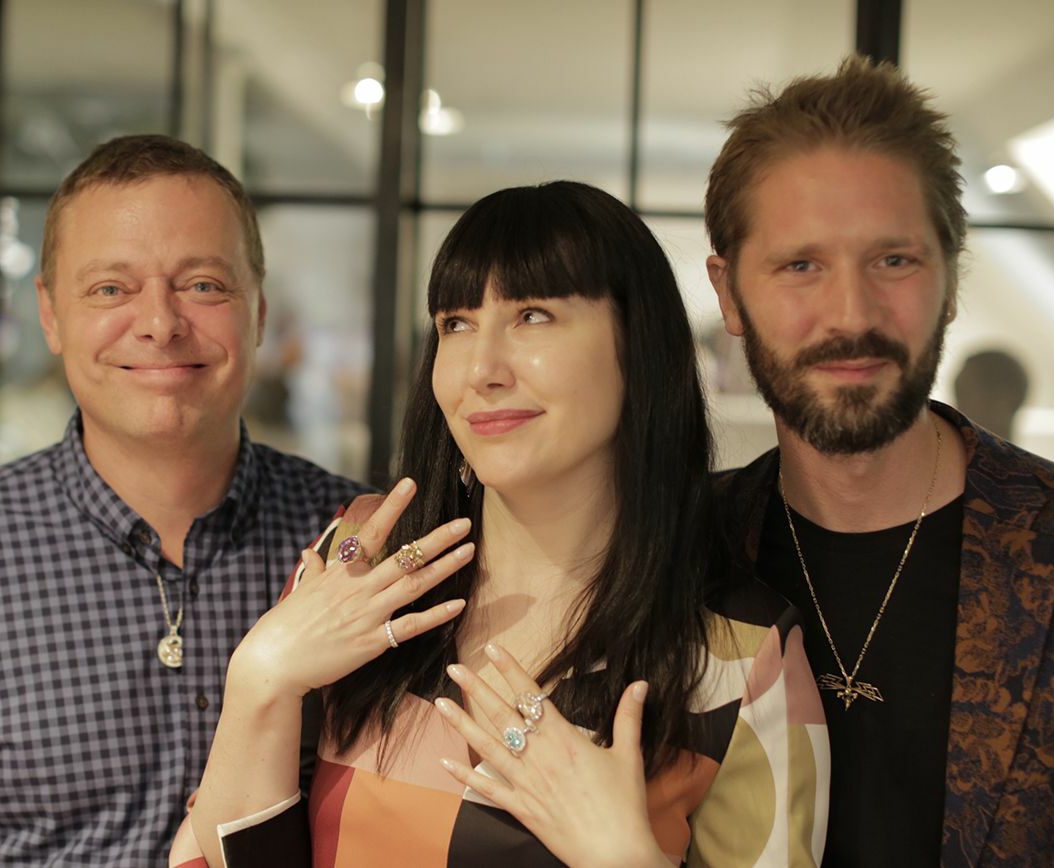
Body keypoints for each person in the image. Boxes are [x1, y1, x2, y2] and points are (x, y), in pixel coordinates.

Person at [172, 181, 829, 868]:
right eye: (456, 323)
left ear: (638, 349)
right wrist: (258, 680)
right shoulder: (363, 566)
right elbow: (206, 854)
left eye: (534, 316)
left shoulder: (740, 658)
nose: (481, 369)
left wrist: (623, 856)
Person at [702, 56, 1054, 866]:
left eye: (895, 260)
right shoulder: (675, 549)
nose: (851, 314)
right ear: (729, 295)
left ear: (951, 280)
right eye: (801, 266)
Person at [0, 135, 368, 864]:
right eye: (110, 289)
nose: (160, 323)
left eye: (203, 284)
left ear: (259, 311)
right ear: (50, 316)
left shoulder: (353, 544)